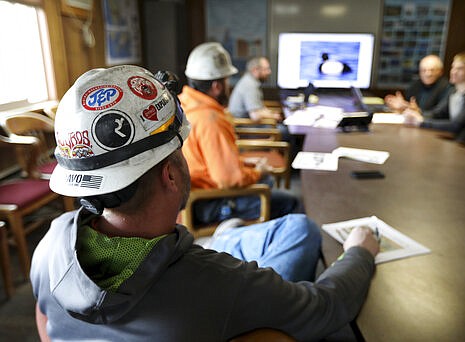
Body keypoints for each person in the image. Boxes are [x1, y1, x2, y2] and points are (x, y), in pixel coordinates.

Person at [30, 65, 380, 341]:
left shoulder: (51, 242)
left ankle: (227, 234)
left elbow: (44, 318)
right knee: (300, 229)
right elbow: (327, 307)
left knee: (234, 234)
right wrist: (359, 252)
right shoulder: (217, 283)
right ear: (169, 173)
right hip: (222, 288)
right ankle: (228, 235)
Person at [179, 42, 300, 225]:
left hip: (193, 196)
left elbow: (208, 160)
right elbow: (228, 180)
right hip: (208, 203)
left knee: (268, 183)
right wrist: (258, 172)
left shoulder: (183, 106)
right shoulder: (210, 119)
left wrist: (244, 163)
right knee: (290, 201)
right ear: (217, 86)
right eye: (227, 80)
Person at [403, 51, 465, 142]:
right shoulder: (453, 91)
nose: (453, 72)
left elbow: (456, 126)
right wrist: (418, 112)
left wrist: (421, 122)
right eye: (453, 67)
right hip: (457, 140)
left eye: (460, 69)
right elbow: (437, 114)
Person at [385, 54, 451, 113]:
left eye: (432, 70)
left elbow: (438, 113)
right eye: (424, 70)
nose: (428, 74)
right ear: (419, 72)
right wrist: (402, 105)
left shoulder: (447, 88)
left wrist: (418, 111)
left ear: (440, 72)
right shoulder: (416, 84)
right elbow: (409, 105)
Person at [228, 56, 281, 122]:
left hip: (249, 125)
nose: (269, 72)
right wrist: (273, 116)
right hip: (246, 129)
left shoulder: (250, 81)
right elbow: (255, 116)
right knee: (285, 130)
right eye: (266, 69)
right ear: (255, 70)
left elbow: (258, 108)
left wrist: (269, 113)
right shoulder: (250, 85)